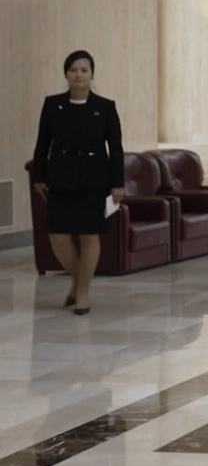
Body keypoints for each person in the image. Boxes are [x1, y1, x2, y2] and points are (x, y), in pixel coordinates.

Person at [31, 50, 126, 316]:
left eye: (84, 70)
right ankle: (78, 280)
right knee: (58, 236)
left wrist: (117, 184)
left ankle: (82, 293)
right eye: (73, 70)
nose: (78, 75)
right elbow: (42, 143)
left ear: (92, 74)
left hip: (95, 178)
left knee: (89, 235)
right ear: (66, 74)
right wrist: (39, 176)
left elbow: (116, 149)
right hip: (60, 177)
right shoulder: (53, 104)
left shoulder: (105, 107)